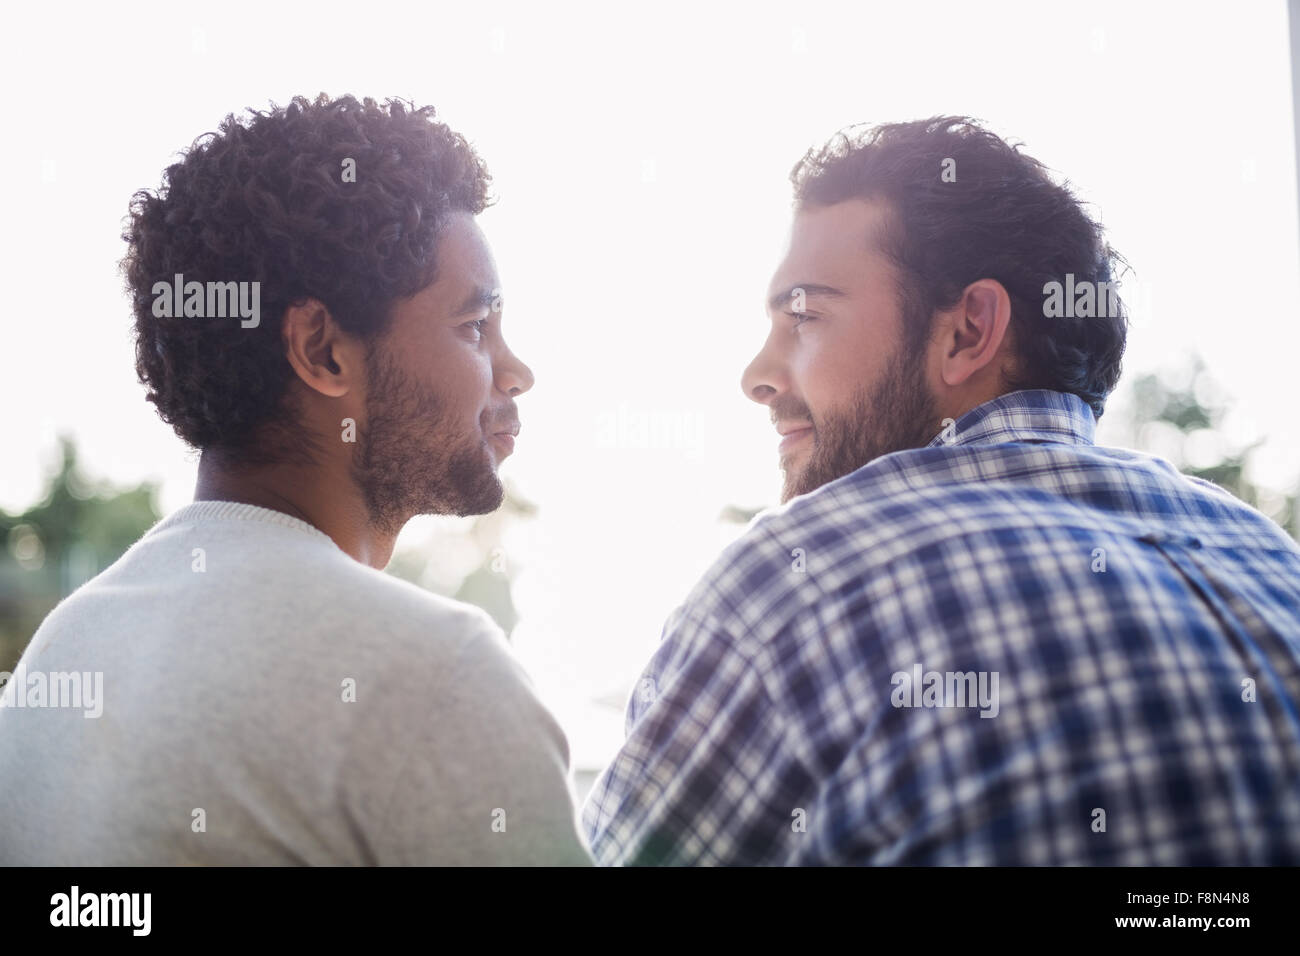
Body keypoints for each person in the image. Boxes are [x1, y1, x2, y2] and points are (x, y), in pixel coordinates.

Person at [582, 116, 1300, 865]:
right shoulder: (1269, 559)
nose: (756, 376)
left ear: (967, 332)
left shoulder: (798, 583)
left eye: (804, 316)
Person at [0, 94, 591, 866]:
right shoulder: (436, 676)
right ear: (322, 350)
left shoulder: (66, 649)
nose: (515, 371)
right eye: (474, 327)